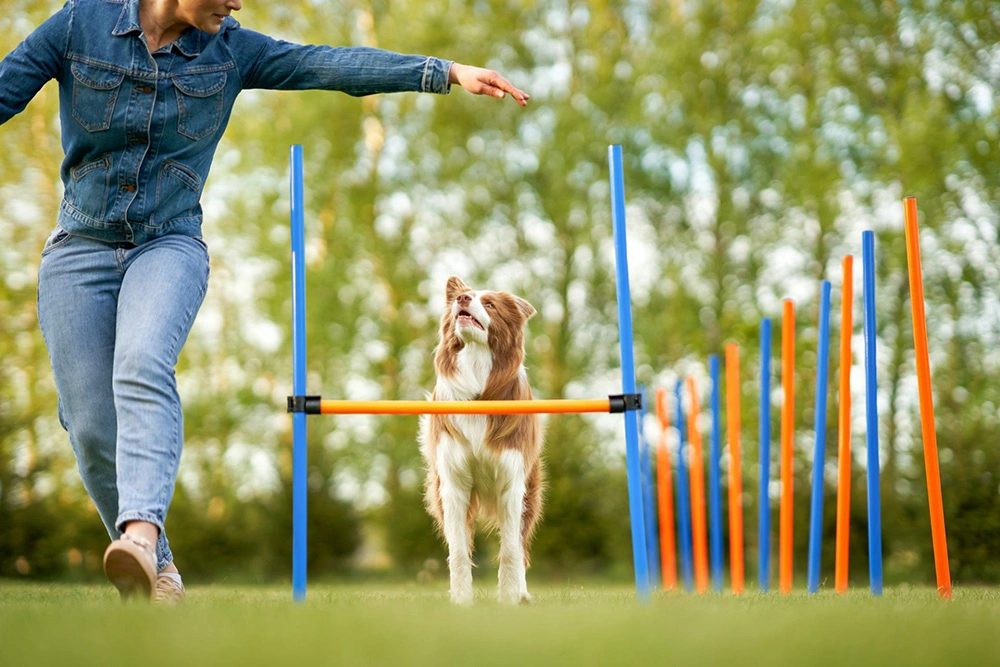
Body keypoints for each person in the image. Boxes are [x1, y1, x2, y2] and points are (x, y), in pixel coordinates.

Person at [0, 0, 529, 603]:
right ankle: (160, 572)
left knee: (142, 364)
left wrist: (445, 71)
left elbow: (328, 65)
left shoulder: (231, 49)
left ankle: (140, 539)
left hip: (168, 245)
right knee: (90, 422)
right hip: (80, 249)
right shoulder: (80, 23)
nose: (237, 4)